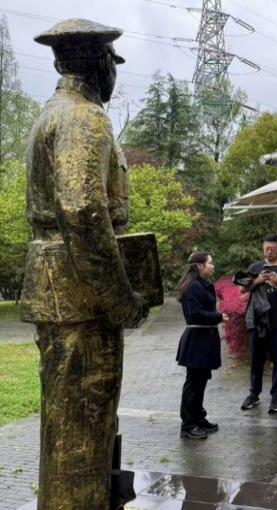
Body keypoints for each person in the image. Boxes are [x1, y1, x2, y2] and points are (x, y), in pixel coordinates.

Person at [19, 19, 149, 509]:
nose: (115, 74)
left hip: (61, 292)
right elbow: (82, 211)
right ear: (99, 64)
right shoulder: (84, 117)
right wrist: (121, 299)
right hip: (80, 297)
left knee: (66, 429)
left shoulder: (53, 112)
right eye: (113, 63)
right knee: (81, 434)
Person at [240, 234, 277, 413]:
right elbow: (242, 289)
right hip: (258, 322)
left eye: (272, 248)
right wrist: (258, 280)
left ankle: (276, 398)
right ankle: (254, 394)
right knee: (256, 360)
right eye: (266, 248)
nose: (269, 251)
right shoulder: (255, 267)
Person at [175, 252, 227, 439]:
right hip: (196, 340)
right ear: (199, 266)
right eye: (210, 263)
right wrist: (219, 316)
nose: (213, 266)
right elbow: (195, 314)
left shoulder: (201, 284)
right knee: (194, 383)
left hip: (204, 339)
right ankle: (188, 425)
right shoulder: (193, 286)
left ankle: (198, 417)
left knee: (201, 381)